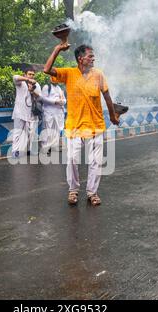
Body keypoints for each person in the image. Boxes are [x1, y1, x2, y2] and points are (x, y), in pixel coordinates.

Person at [43, 43, 120, 206]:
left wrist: (113, 116)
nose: (93, 59)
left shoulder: (98, 74)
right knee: (71, 159)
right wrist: (57, 49)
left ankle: (92, 192)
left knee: (96, 162)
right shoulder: (69, 73)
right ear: (80, 59)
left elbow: (107, 96)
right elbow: (47, 69)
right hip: (74, 126)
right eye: (90, 56)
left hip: (96, 125)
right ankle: (73, 190)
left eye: (93, 56)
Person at [11, 67, 41, 158]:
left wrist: (32, 91)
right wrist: (28, 80)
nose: (31, 76)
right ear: (25, 74)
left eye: (32, 74)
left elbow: (39, 97)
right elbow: (15, 77)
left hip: (30, 113)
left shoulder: (37, 84)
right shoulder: (20, 83)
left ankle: (29, 150)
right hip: (19, 112)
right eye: (29, 74)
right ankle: (15, 151)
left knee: (31, 133)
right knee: (17, 132)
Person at [40, 80, 66, 154]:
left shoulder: (59, 88)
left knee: (56, 130)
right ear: (50, 78)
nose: (55, 79)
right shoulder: (46, 87)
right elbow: (43, 99)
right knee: (48, 130)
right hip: (49, 113)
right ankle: (45, 148)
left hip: (58, 113)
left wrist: (62, 102)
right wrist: (55, 102)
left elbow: (64, 99)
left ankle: (54, 147)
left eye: (57, 77)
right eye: (53, 77)